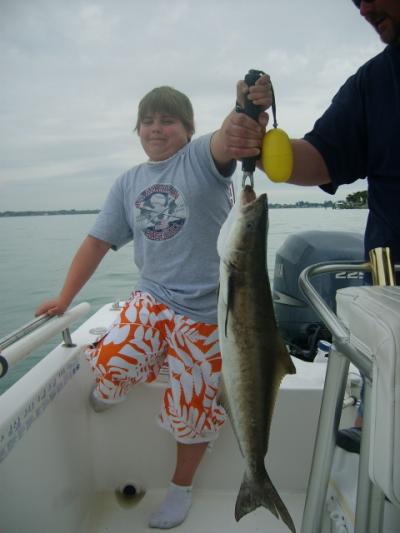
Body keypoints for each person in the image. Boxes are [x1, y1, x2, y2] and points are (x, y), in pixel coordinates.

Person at [35, 83, 269, 529]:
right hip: (153, 296)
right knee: (109, 361)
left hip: (207, 312)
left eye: (168, 120)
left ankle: (181, 489)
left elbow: (228, 137)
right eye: (147, 121)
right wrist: (64, 297)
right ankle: (136, 372)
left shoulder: (201, 159)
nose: (156, 129)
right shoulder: (128, 183)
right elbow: (97, 241)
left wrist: (245, 108)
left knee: (195, 409)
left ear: (188, 129)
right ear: (137, 129)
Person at [225, 0, 400, 454]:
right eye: (355, 0)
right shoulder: (375, 83)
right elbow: (323, 158)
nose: (363, 8)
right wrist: (262, 147)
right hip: (393, 301)